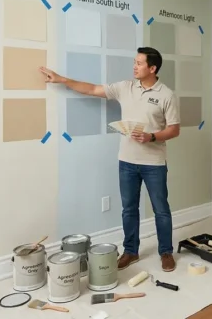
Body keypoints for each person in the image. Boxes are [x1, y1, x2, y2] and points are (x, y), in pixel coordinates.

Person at [39, 47, 181, 272]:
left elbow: (174, 130)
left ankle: (166, 252)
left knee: (161, 209)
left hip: (154, 163)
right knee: (129, 209)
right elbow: (93, 89)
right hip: (126, 161)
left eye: (139, 63)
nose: (134, 66)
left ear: (152, 68)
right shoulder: (125, 87)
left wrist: (151, 136)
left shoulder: (166, 94)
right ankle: (131, 252)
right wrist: (62, 79)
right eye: (134, 62)